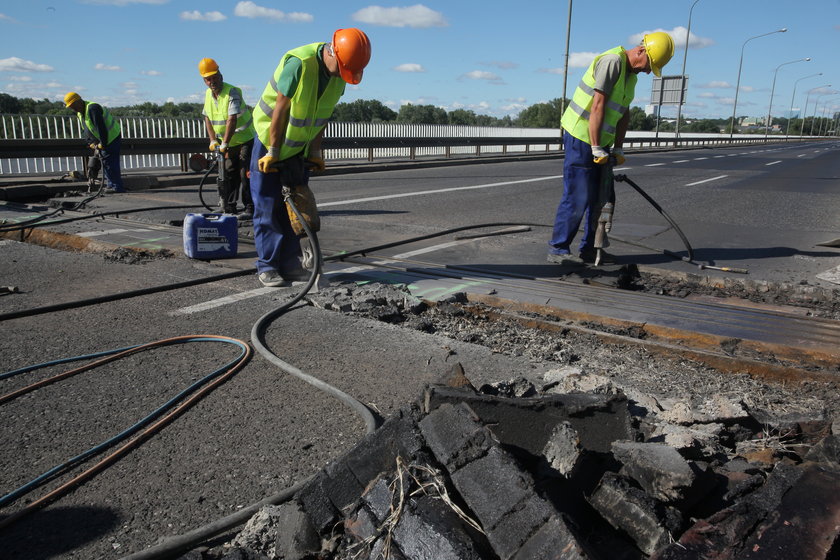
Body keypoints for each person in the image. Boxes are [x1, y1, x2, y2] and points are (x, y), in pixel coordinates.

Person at [250, 28, 371, 287]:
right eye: (342, 68)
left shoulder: (340, 75)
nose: (342, 74)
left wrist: (315, 151)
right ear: (332, 52)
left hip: (299, 148)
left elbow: (322, 115)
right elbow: (280, 109)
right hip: (269, 140)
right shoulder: (299, 63)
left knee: (297, 209)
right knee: (268, 206)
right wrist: (273, 151)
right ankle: (268, 266)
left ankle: (291, 266)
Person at [548, 31, 674, 265]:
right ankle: (558, 250)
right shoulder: (612, 62)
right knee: (578, 195)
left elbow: (623, 112)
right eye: (650, 65)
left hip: (601, 141)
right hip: (581, 136)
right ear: (641, 51)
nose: (648, 71)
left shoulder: (631, 75)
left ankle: (589, 249)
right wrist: (596, 146)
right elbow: (598, 105)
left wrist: (618, 147)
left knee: (604, 196)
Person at [198, 58, 256, 217]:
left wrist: (224, 142)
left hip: (245, 140)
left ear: (220, 75)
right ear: (204, 81)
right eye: (208, 79)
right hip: (228, 143)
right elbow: (207, 118)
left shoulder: (232, 92)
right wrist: (212, 140)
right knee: (229, 174)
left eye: (214, 77)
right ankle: (229, 208)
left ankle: (250, 208)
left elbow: (232, 118)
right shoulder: (208, 95)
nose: (212, 81)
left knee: (245, 174)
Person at [64, 92, 124, 193]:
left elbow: (101, 128)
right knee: (105, 162)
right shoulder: (80, 113)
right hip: (103, 139)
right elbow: (86, 129)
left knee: (110, 163)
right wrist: (90, 142)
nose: (73, 108)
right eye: (70, 107)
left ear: (79, 101)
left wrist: (103, 144)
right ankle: (111, 185)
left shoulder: (92, 108)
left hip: (111, 137)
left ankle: (116, 187)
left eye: (73, 105)